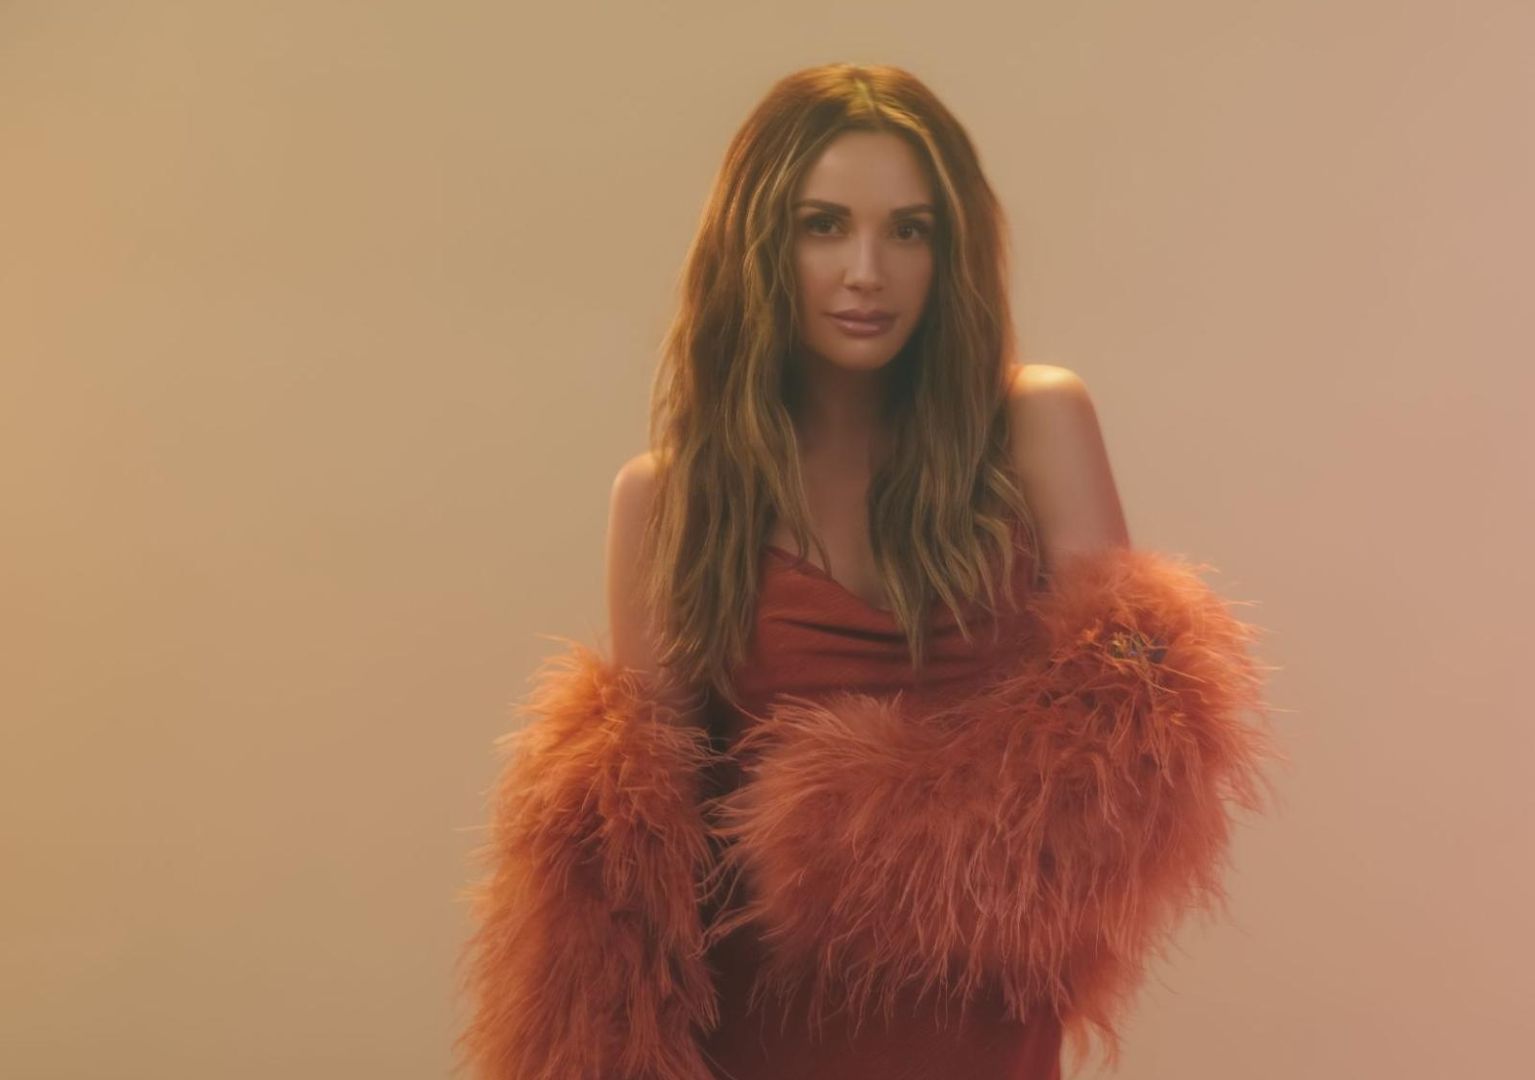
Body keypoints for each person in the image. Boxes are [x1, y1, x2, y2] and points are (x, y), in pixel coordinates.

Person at [453, 63, 1284, 1080]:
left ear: (950, 251)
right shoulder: (670, 502)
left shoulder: (1035, 425)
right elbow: (640, 890)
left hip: (977, 1038)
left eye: (908, 231)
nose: (865, 271)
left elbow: (1135, 758)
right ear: (759, 245)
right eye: (823, 226)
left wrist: (869, 839)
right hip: (760, 1042)